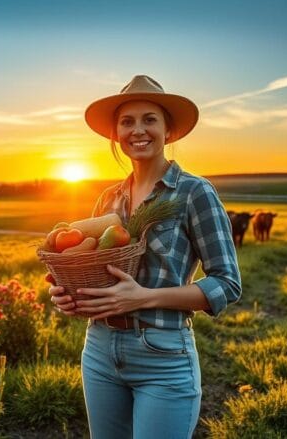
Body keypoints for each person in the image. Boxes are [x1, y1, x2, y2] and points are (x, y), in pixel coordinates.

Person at [50, 75, 241, 439]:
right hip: (100, 351)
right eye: (127, 121)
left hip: (163, 356)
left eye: (149, 119)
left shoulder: (194, 193)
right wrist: (70, 296)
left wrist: (144, 297)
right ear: (116, 135)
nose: (138, 130)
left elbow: (227, 284)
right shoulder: (108, 200)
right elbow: (97, 275)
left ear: (168, 131)